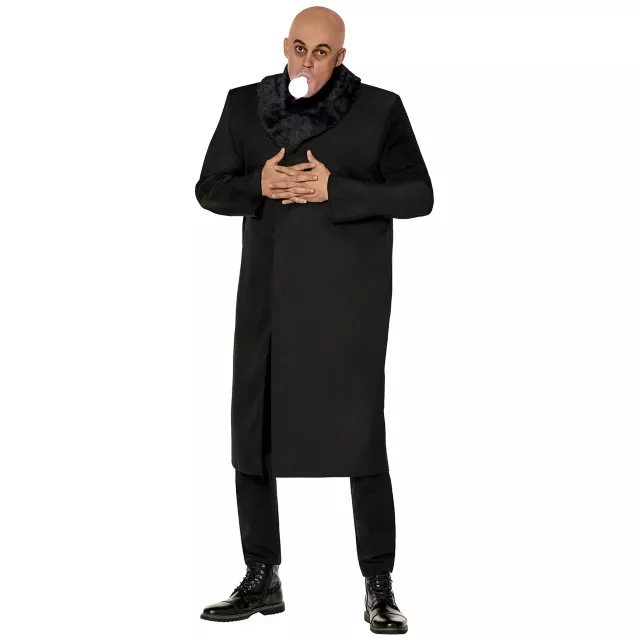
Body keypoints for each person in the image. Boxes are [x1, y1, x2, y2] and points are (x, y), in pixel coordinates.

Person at [194, 6, 433, 634]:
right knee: (254, 436)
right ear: (285, 46)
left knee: (361, 438)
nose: (307, 61)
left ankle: (378, 584)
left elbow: (419, 195)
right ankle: (261, 574)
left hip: (349, 307)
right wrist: (258, 183)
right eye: (299, 47)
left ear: (341, 57)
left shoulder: (379, 110)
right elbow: (208, 188)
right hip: (268, 302)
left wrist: (338, 190)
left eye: (321, 52)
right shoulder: (244, 105)